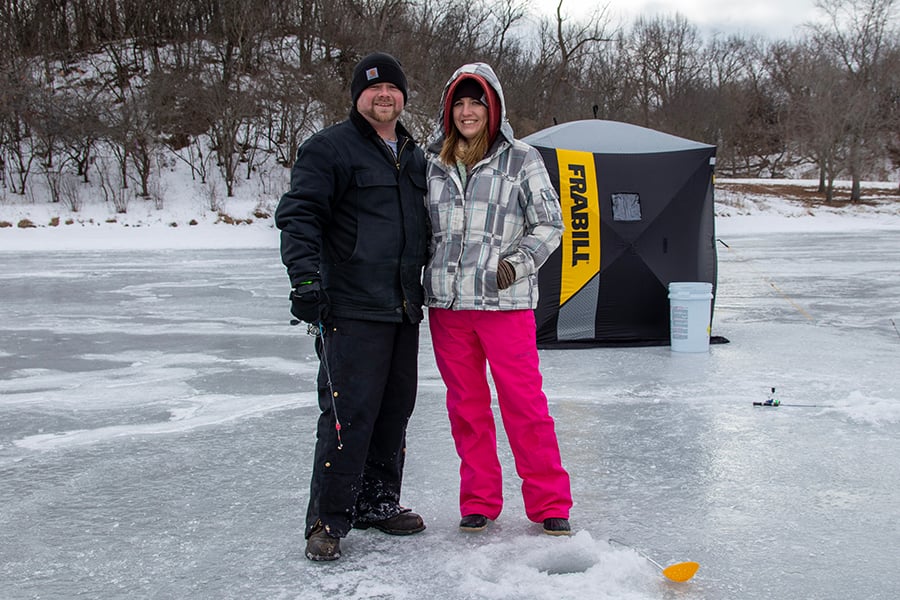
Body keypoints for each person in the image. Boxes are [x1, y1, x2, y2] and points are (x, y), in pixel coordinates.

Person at [275, 52, 429, 561]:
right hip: (350, 307)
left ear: (403, 97)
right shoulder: (329, 149)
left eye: (393, 88)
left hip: (404, 305)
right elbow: (299, 216)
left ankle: (377, 503)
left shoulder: (414, 154)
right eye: (373, 88)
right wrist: (305, 279)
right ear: (357, 97)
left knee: (394, 411)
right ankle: (327, 519)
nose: (384, 95)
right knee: (348, 415)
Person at [423, 63, 573, 535]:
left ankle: (550, 502)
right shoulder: (433, 162)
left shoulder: (521, 159)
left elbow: (550, 225)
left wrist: (516, 264)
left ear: (494, 108)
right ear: (449, 110)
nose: (468, 111)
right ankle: (479, 500)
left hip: (504, 305)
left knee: (524, 405)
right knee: (466, 408)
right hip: (448, 309)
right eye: (460, 102)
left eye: (477, 102)